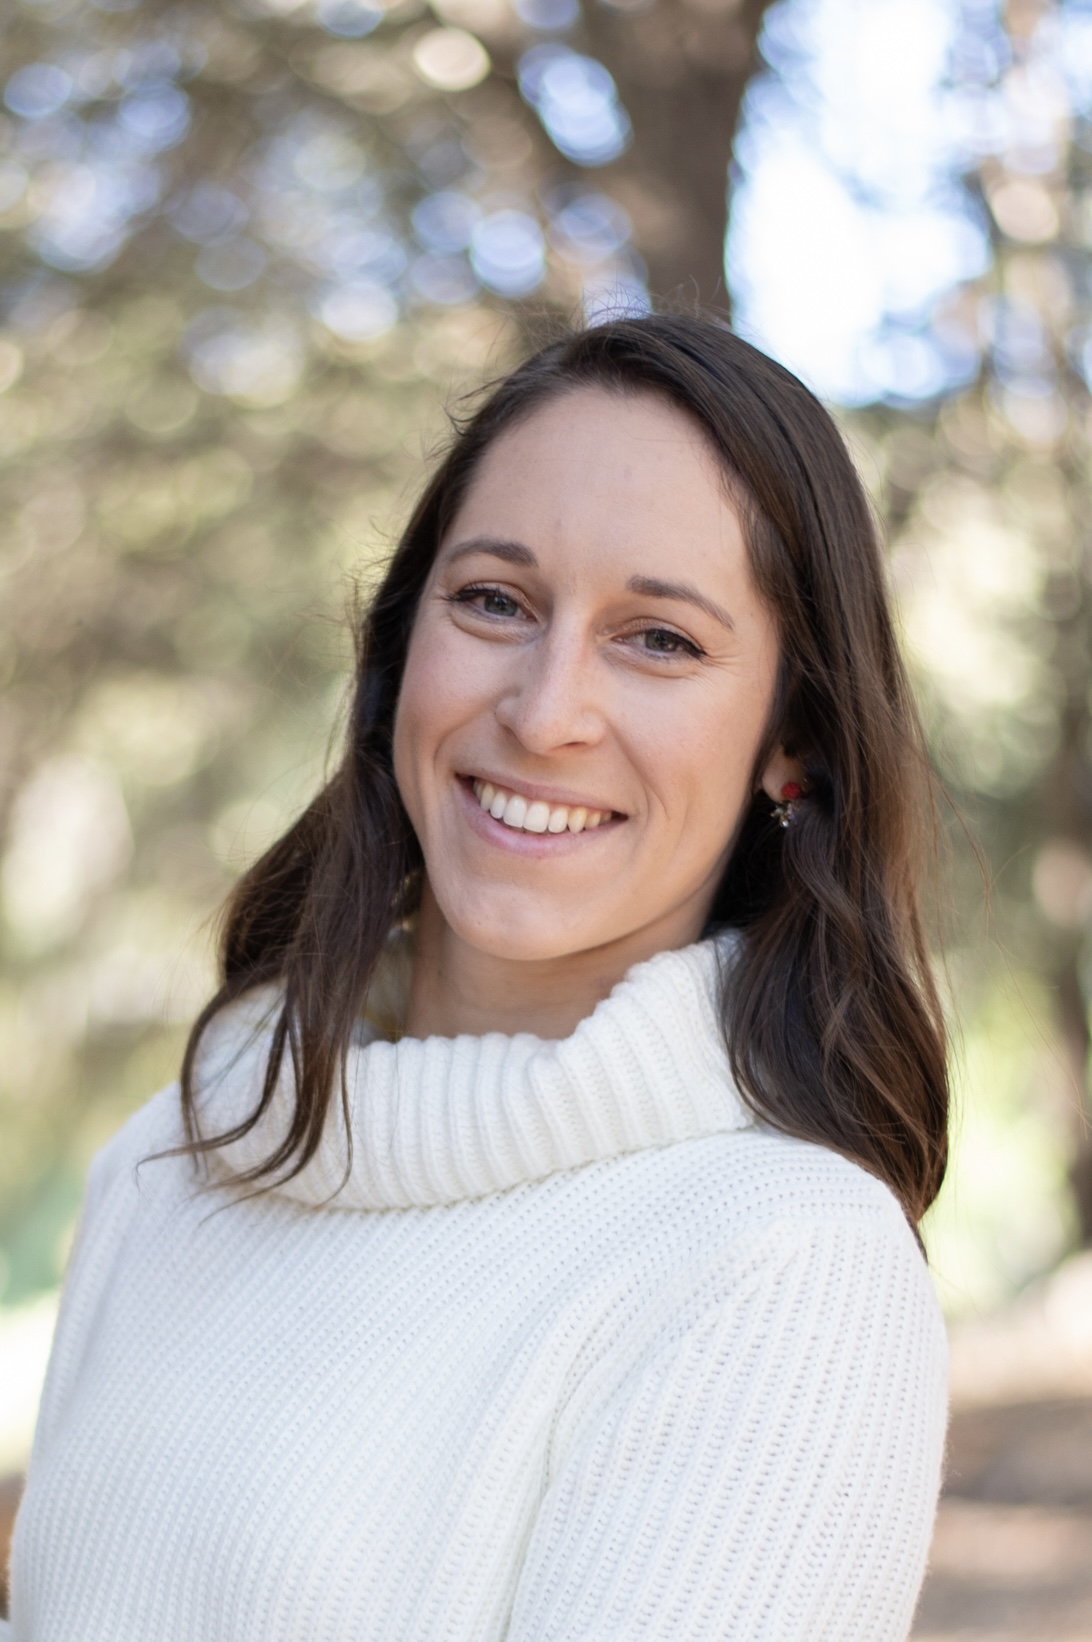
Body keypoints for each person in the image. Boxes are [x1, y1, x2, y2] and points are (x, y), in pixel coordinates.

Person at [6, 315, 950, 1641]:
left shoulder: (779, 1267)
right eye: (496, 602)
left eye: (660, 639)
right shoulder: (176, 1154)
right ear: (401, 653)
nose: (546, 707)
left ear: (789, 742)